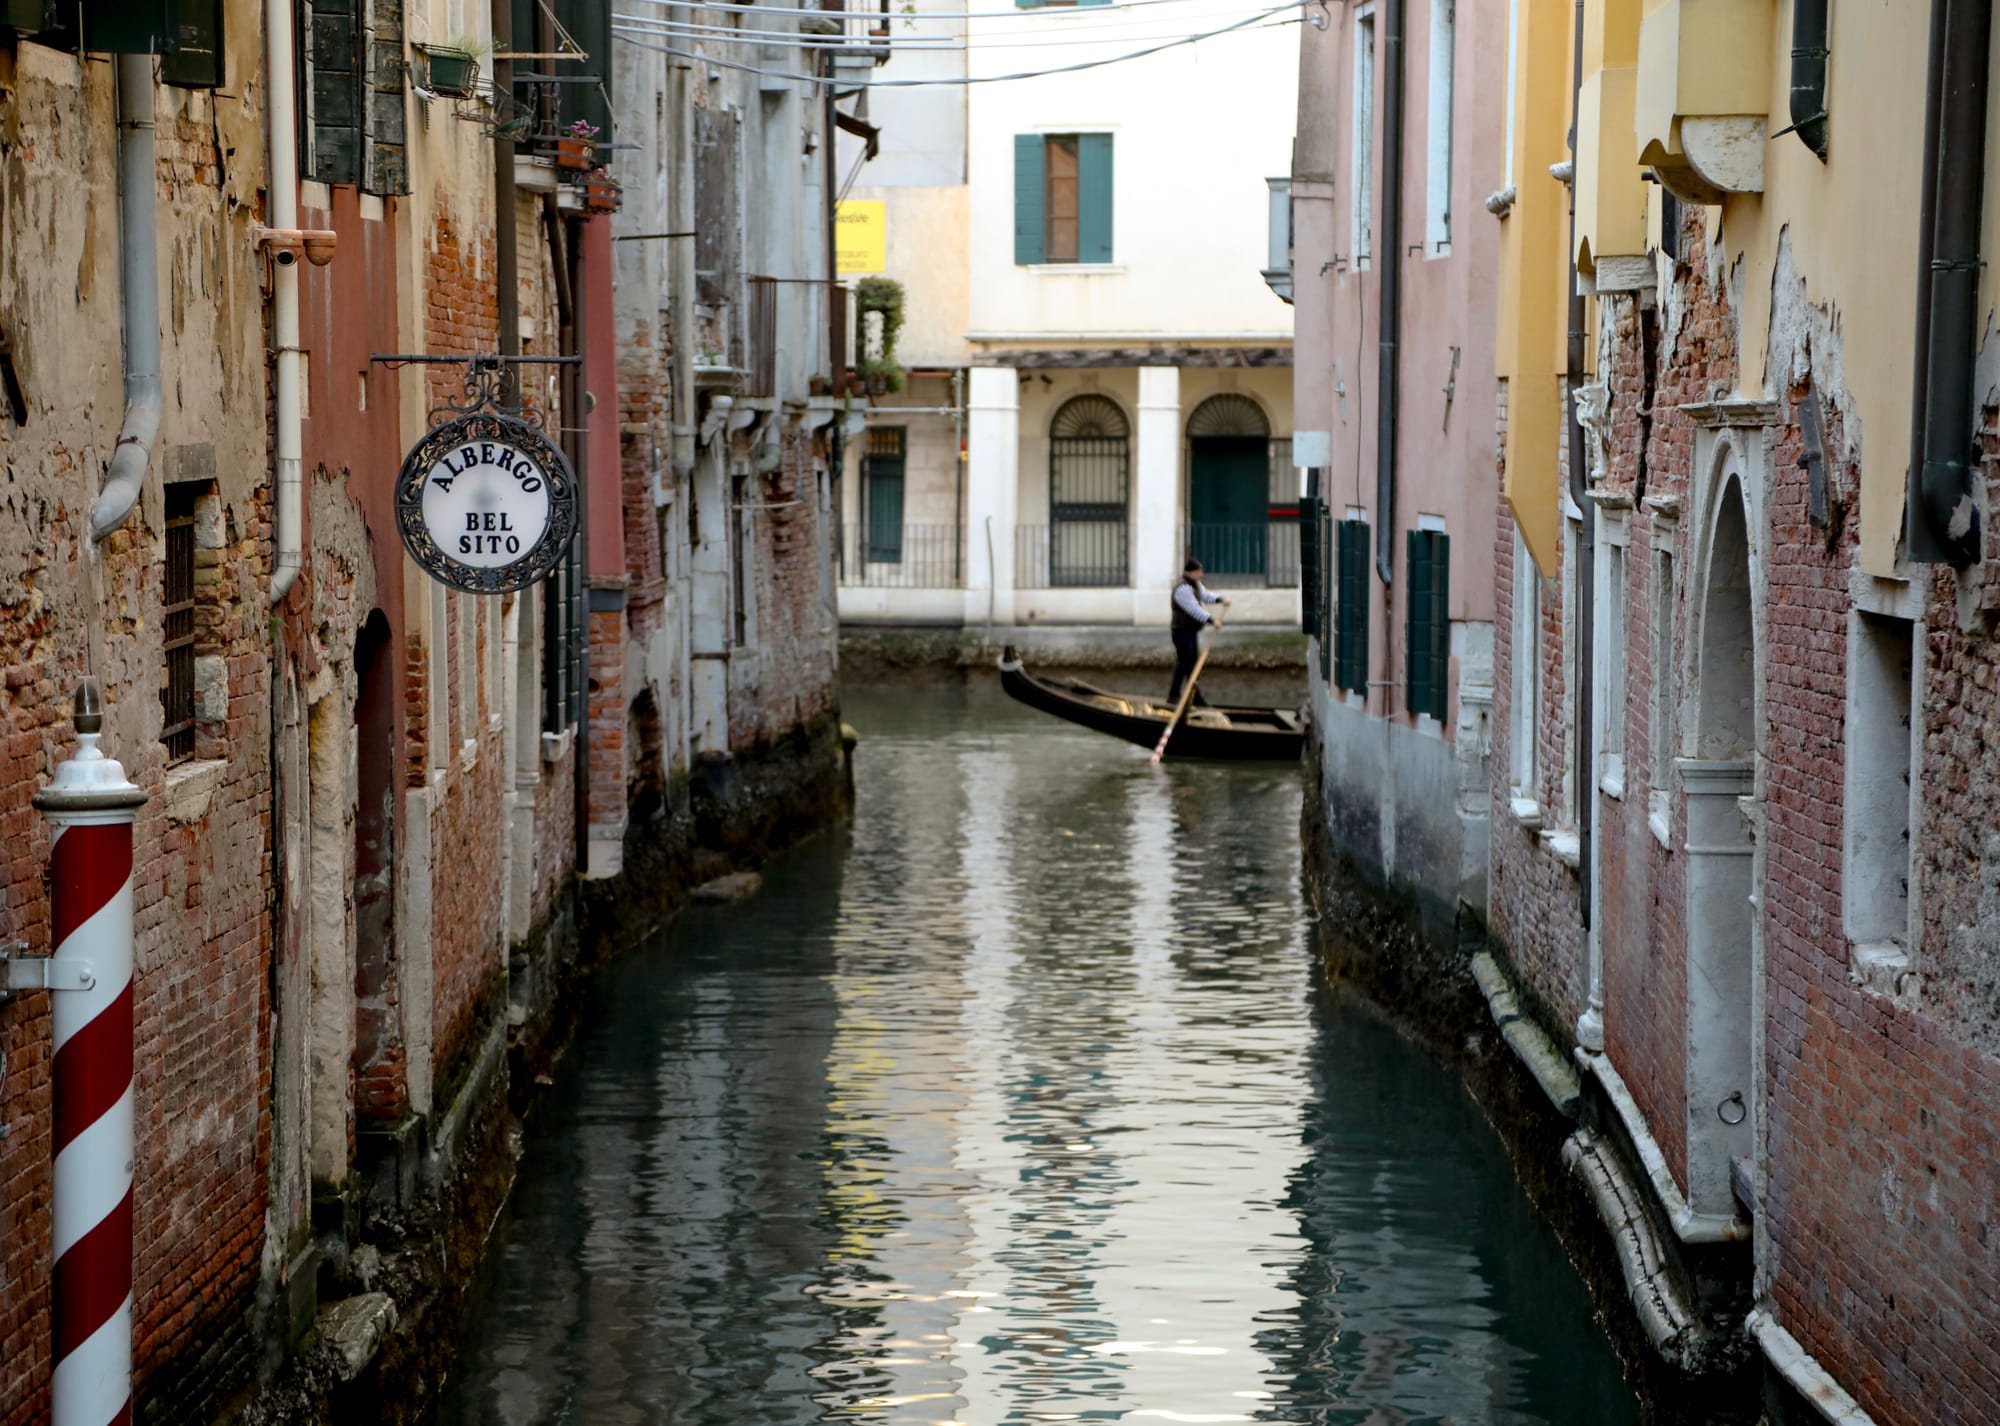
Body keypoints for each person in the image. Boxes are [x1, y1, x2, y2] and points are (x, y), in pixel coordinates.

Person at [1168, 558, 1228, 706]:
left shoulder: (1195, 584)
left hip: (1190, 631)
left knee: (1190, 664)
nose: (1201, 574)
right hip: (1181, 632)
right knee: (1185, 663)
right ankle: (1179, 696)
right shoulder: (1182, 589)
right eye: (1199, 571)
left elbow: (1205, 596)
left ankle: (1189, 696)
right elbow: (1193, 609)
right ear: (1191, 572)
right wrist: (1212, 621)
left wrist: (1220, 600)